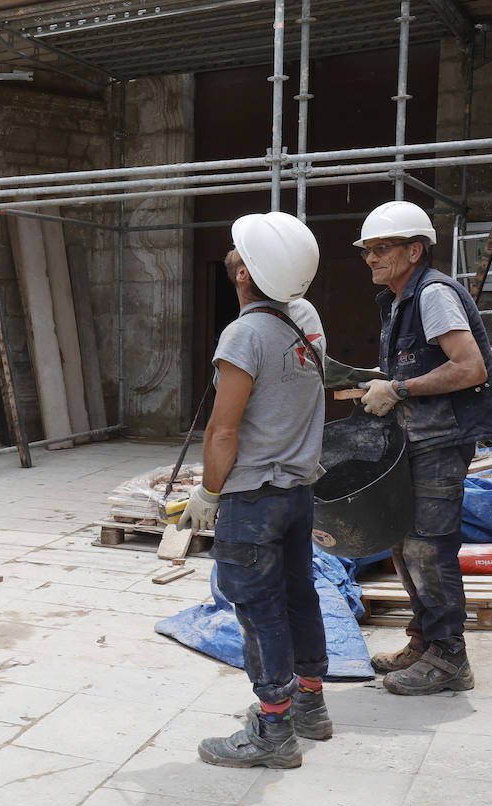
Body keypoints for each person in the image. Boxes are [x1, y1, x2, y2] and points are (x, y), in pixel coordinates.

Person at [181, 211, 330, 769]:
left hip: (254, 497)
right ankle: (311, 704)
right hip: (298, 491)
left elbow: (223, 430)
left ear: (245, 273)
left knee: (260, 610)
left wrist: (209, 495)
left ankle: (273, 730)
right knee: (299, 596)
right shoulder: (307, 319)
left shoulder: (244, 333)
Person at [355, 200, 492, 695]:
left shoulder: (433, 294)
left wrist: (397, 390)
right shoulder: (400, 299)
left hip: (442, 440)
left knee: (429, 544)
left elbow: (470, 368)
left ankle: (449, 657)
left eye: (382, 248)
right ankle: (423, 639)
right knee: (402, 541)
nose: (372, 258)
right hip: (417, 439)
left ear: (414, 249)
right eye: (367, 251)